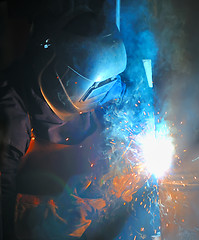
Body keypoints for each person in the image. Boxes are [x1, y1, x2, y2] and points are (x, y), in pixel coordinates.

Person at [0, 2, 127, 239]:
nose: (101, 96)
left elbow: (125, 104)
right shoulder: (11, 113)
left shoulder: (100, 83)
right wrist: (35, 216)